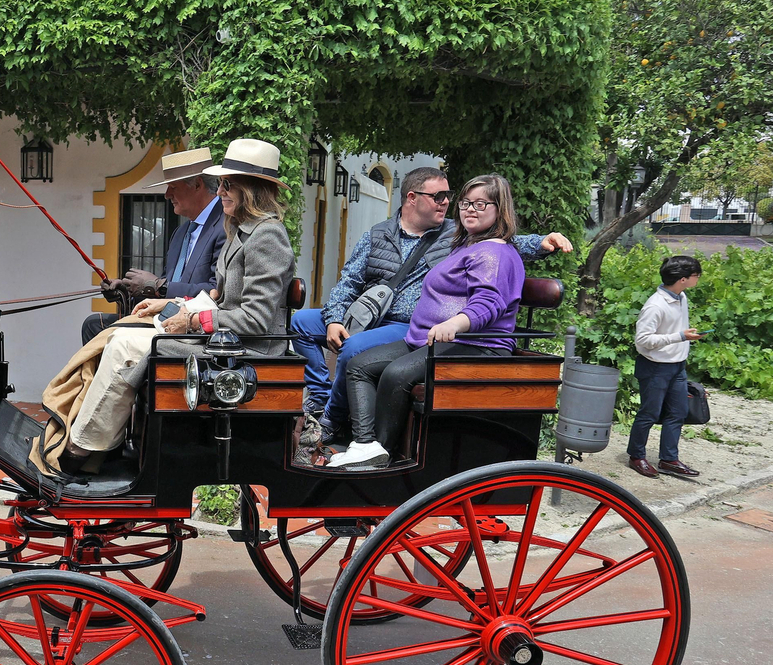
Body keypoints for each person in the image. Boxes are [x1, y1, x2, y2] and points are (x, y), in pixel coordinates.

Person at [290, 166, 573, 449]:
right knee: (302, 322)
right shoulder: (378, 235)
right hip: (371, 314)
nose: (447, 203)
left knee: (353, 349)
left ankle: (332, 421)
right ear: (413, 198)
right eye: (439, 197)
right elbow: (348, 281)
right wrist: (335, 319)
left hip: (409, 323)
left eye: (450, 197)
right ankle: (320, 392)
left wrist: (542, 243)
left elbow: (499, 246)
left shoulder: (453, 235)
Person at [59, 138, 294, 469]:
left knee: (128, 345)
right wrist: (166, 306)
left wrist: (193, 322)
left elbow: (256, 319)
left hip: (247, 350)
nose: (220, 191)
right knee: (117, 335)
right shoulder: (241, 230)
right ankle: (96, 442)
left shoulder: (268, 236)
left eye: (228, 185)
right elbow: (219, 296)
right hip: (225, 340)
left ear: (251, 189)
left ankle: (84, 450)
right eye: (221, 184)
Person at [329, 174, 526, 469]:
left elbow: (489, 303)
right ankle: (365, 444)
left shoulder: (494, 252)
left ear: (500, 209)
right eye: (466, 203)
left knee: (396, 375)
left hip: (475, 345)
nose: (470, 209)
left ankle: (382, 451)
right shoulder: (466, 245)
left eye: (481, 204)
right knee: (359, 366)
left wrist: (456, 323)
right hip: (428, 340)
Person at [81, 148, 227, 344]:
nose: (167, 195)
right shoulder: (181, 233)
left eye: (172, 187)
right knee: (93, 325)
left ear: (197, 185)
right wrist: (128, 290)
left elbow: (216, 292)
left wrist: (159, 286)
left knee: (107, 334)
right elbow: (167, 288)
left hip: (192, 327)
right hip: (166, 315)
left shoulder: (226, 226)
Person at [627, 254, 704, 478]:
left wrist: (684, 338)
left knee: (678, 412)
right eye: (695, 276)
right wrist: (679, 336)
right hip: (654, 367)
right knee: (649, 413)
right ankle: (636, 456)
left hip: (677, 365)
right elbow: (642, 340)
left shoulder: (682, 297)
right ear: (682, 279)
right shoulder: (655, 306)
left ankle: (669, 459)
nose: (697, 279)